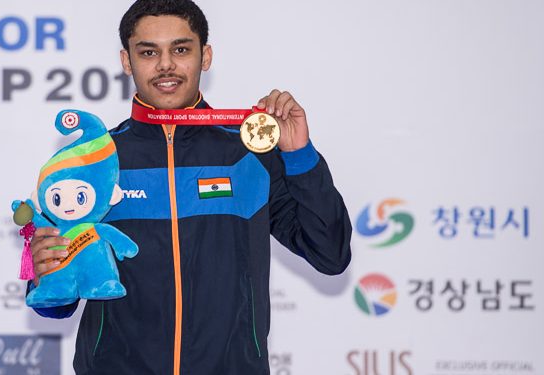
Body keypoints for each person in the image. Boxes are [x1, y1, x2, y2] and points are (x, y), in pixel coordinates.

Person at [27, 0, 352, 373]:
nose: (166, 65)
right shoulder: (94, 163)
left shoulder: (247, 154)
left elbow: (331, 254)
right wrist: (44, 269)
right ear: (126, 61)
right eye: (148, 52)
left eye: (180, 49)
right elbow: (55, 304)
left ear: (206, 55)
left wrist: (299, 155)